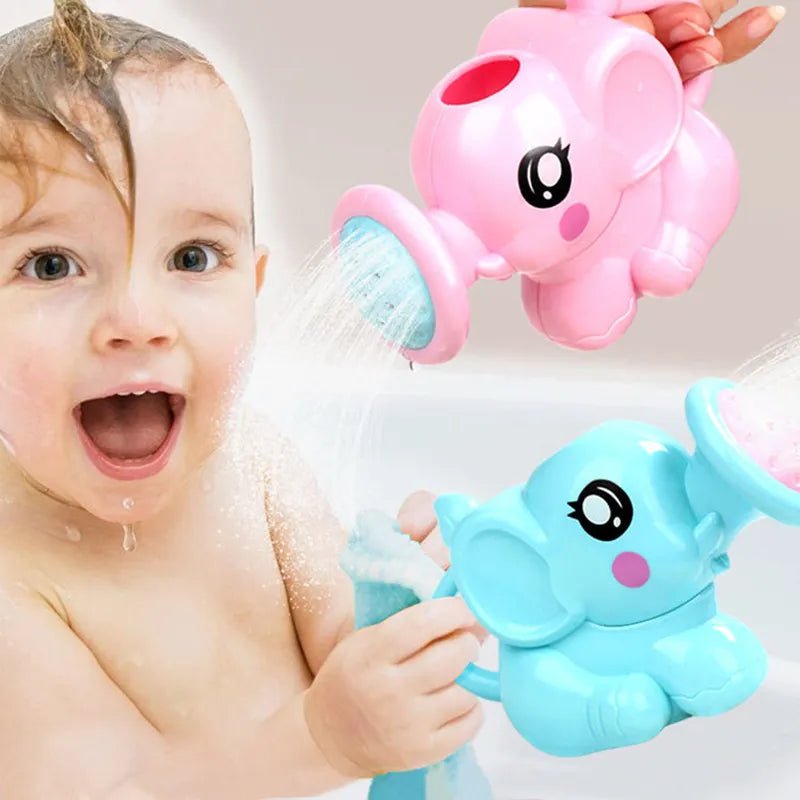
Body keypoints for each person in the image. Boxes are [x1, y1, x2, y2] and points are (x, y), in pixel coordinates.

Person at [0, 1, 783, 798]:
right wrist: (325, 740)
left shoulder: (252, 465)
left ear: (256, 287)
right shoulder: (15, 586)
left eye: (193, 256)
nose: (136, 321)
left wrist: (408, 607)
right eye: (52, 265)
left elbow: (346, 642)